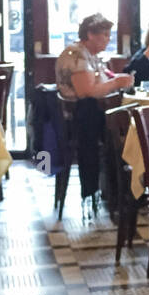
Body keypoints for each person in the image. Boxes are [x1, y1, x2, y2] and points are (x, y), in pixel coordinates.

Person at [55, 13, 133, 206]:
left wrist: (114, 80)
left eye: (109, 34)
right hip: (79, 120)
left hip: (90, 116)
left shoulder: (91, 56)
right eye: (104, 35)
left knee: (125, 123)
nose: (108, 39)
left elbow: (99, 83)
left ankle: (120, 189)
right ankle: (119, 192)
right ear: (90, 34)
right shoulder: (76, 54)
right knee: (122, 132)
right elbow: (86, 92)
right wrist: (117, 83)